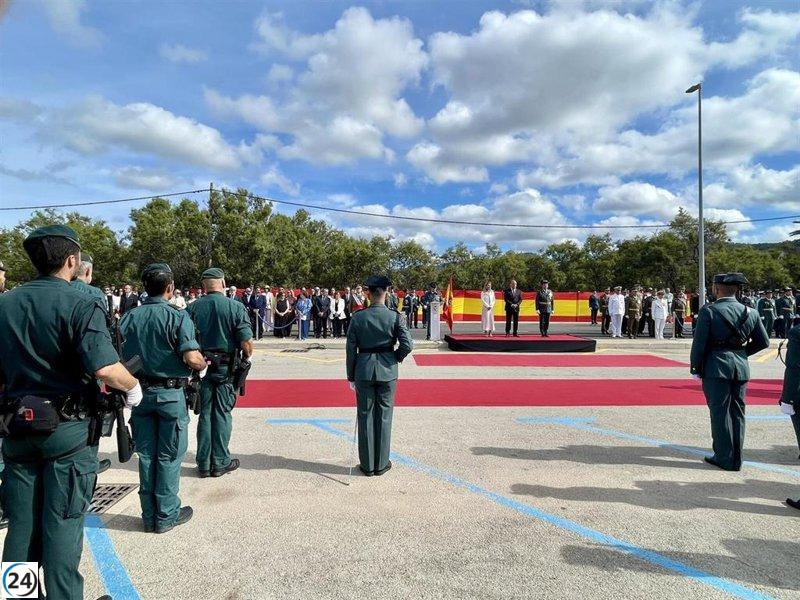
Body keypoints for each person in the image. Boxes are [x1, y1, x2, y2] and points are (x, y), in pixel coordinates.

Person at [0, 225, 141, 600]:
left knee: (20, 530)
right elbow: (105, 368)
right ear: (72, 260)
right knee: (62, 528)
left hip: (15, 427)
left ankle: (19, 598)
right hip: (66, 432)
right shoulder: (81, 301)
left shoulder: (5, 303)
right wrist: (133, 388)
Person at [120, 264, 207, 533]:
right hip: (170, 395)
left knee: (146, 455)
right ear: (170, 287)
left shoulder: (129, 317)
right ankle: (166, 515)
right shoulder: (177, 317)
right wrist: (203, 364)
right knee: (169, 456)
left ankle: (149, 515)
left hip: (140, 393)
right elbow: (192, 357)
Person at [690, 272, 770, 471]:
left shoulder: (709, 311)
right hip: (740, 368)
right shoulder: (750, 312)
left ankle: (724, 457)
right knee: (738, 413)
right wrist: (741, 353)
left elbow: (699, 344)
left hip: (716, 367)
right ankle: (736, 457)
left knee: (720, 412)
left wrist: (695, 367)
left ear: (717, 289)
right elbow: (764, 342)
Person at [186, 268, 253, 478]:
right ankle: (221, 461)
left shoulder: (192, 308)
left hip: (201, 367)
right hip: (226, 368)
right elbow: (246, 343)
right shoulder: (235, 307)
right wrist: (247, 359)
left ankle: (204, 463)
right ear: (223, 283)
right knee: (222, 413)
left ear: (203, 285)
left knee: (205, 413)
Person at [346, 275, 413, 476]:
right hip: (387, 370)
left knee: (365, 416)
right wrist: (394, 358)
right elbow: (408, 345)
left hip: (364, 370)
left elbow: (350, 350)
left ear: (368, 293)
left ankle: (367, 466)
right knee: (384, 417)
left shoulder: (358, 317)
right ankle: (381, 464)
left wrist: (351, 376)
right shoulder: (395, 317)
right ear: (386, 292)